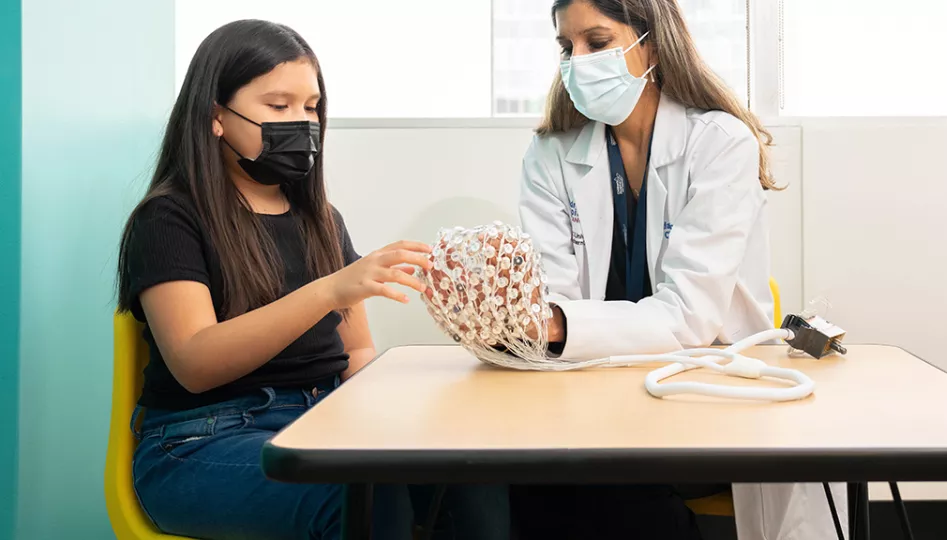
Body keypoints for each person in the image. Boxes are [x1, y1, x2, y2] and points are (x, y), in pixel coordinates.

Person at [116, 20, 507, 540]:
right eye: (278, 107)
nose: (301, 122)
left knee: (470, 469)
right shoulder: (168, 219)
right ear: (215, 116)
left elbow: (357, 356)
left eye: (310, 107)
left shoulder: (320, 218)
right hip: (200, 442)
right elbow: (195, 363)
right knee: (366, 494)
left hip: (322, 420)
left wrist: (420, 411)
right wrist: (328, 290)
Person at [515, 1, 846, 539]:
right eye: (565, 46)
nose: (576, 62)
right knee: (536, 477)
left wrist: (558, 324)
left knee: (608, 485)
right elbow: (552, 297)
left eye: (596, 43)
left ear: (650, 43)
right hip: (593, 390)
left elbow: (688, 317)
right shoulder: (550, 155)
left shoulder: (719, 143)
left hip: (707, 387)